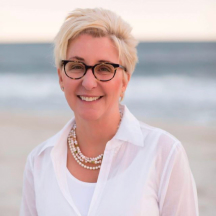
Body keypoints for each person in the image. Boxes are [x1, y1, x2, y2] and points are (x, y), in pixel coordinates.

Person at [20, 8, 199, 216]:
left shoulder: (164, 153)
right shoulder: (39, 162)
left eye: (104, 68)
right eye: (77, 66)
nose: (88, 83)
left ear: (124, 81)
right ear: (61, 77)